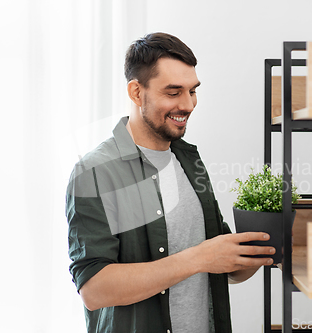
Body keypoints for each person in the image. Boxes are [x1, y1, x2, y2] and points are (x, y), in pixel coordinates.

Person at [66, 32, 274, 333]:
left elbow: (225, 265)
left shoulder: (189, 160)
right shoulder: (94, 172)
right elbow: (95, 290)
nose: (188, 105)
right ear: (137, 92)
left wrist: (269, 246)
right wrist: (199, 258)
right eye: (174, 92)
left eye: (193, 91)